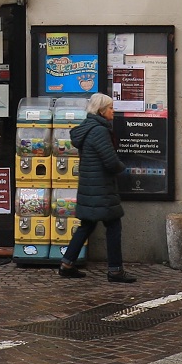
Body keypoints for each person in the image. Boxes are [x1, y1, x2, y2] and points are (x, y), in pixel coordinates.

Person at [61, 92, 135, 283]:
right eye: (111, 108)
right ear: (102, 111)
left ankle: (67, 264)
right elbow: (110, 161)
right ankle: (115, 270)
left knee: (86, 225)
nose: (113, 111)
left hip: (90, 185)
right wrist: (123, 168)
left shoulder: (88, 128)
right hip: (101, 187)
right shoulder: (99, 131)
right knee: (113, 225)